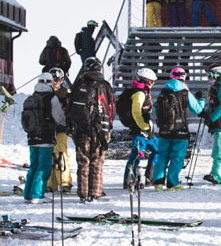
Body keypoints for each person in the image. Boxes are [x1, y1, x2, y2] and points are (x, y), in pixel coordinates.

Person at [70, 57, 115, 203]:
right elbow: (111, 107)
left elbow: (71, 109)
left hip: (82, 130)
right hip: (102, 130)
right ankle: (95, 192)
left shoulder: (79, 85)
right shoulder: (106, 85)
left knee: (83, 162)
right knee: (97, 162)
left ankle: (83, 194)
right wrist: (108, 125)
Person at [152, 67, 204, 191]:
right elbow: (197, 110)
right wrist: (202, 100)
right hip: (180, 129)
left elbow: (156, 110)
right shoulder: (185, 92)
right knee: (177, 156)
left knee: (162, 155)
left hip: (164, 129)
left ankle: (158, 182)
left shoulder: (163, 92)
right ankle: (172, 182)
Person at [23, 73, 65, 204]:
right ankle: (37, 195)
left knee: (34, 166)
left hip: (32, 137)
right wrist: (67, 123)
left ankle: (28, 194)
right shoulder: (51, 98)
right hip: (46, 137)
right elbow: (58, 117)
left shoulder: (32, 98)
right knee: (44, 166)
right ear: (49, 82)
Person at [123, 68, 159, 188]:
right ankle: (129, 180)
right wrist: (144, 126)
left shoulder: (144, 92)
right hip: (140, 131)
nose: (153, 84)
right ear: (146, 81)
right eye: (152, 81)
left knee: (158, 150)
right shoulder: (139, 93)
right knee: (137, 154)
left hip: (147, 130)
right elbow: (136, 112)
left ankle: (150, 177)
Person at [46, 67, 73, 194]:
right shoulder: (45, 93)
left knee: (61, 155)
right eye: (53, 79)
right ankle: (50, 183)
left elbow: (70, 110)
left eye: (57, 79)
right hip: (47, 129)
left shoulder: (65, 93)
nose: (55, 82)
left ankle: (64, 182)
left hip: (60, 128)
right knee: (48, 156)